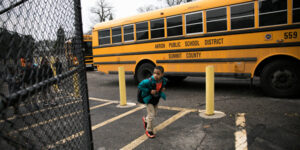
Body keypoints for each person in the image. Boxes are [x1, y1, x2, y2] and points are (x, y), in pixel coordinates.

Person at [138, 66, 167, 138]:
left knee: (154, 114)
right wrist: (149, 91)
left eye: (158, 73)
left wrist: (162, 88)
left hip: (155, 99)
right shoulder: (148, 81)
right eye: (154, 73)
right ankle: (149, 130)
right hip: (148, 99)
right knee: (151, 115)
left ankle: (145, 119)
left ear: (162, 74)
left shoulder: (163, 80)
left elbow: (161, 85)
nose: (155, 75)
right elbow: (140, 86)